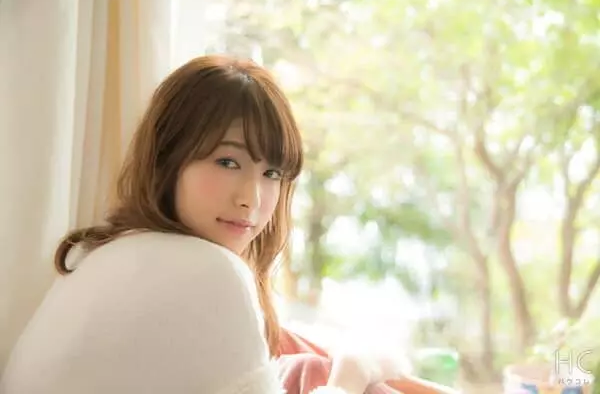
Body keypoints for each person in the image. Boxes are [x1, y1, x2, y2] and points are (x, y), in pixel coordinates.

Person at [0, 55, 401, 394]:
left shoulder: (101, 254)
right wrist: (351, 374)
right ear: (168, 158)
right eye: (227, 162)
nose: (251, 198)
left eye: (272, 173)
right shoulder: (207, 270)